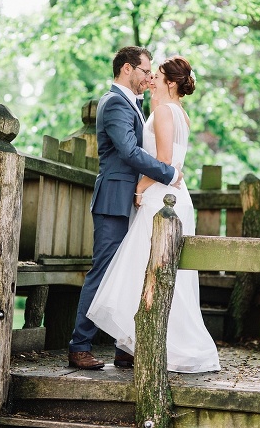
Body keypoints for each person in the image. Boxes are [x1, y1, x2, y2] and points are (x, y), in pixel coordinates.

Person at [87, 56, 220, 373]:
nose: (151, 79)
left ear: (170, 83)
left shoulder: (162, 112)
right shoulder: (182, 115)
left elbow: (162, 163)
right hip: (176, 197)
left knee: (142, 270)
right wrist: (168, 175)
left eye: (157, 76)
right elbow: (175, 163)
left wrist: (139, 188)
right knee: (161, 273)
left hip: (161, 198)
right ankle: (130, 346)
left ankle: (149, 344)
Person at [68, 46, 182, 370]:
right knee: (102, 271)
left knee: (130, 272)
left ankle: (125, 347)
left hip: (134, 200)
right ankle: (79, 346)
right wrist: (168, 172)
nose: (149, 78)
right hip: (114, 200)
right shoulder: (115, 102)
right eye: (146, 71)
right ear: (127, 69)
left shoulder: (135, 104)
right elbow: (130, 153)